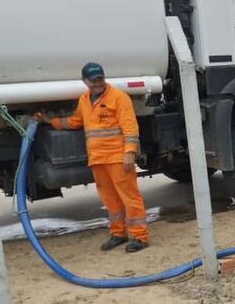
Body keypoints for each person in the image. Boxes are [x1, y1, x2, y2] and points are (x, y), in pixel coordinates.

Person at [34, 62, 149, 253]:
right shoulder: (84, 100)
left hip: (118, 158)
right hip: (98, 159)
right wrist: (49, 121)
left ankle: (139, 236)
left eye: (100, 79)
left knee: (129, 197)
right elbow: (74, 121)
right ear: (85, 81)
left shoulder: (119, 98)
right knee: (110, 199)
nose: (98, 83)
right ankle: (118, 233)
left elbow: (130, 127)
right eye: (93, 80)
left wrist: (129, 152)